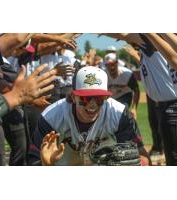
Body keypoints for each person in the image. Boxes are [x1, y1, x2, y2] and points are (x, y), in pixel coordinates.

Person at [27, 66, 150, 166]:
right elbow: (32, 160)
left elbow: (143, 157)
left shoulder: (119, 114)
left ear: (107, 97)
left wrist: (138, 165)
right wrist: (45, 164)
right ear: (73, 97)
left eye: (99, 99)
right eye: (86, 98)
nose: (92, 105)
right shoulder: (52, 117)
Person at [99, 33, 177, 165]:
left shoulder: (152, 43)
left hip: (171, 106)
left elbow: (124, 34)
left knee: (173, 157)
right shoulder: (151, 46)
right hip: (165, 105)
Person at [104, 52, 140, 118]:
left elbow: (136, 90)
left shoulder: (127, 74)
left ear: (117, 63)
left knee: (121, 111)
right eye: (108, 65)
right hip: (110, 97)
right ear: (105, 66)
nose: (111, 67)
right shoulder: (103, 75)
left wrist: (134, 108)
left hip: (124, 95)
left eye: (113, 64)